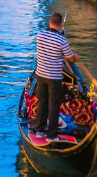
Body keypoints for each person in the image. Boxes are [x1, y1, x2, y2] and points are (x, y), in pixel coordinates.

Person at [32, 12, 80, 141]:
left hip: (41, 75)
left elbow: (49, 47)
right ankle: (51, 136)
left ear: (49, 22)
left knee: (42, 102)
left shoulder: (39, 36)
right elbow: (70, 59)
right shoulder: (62, 40)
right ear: (60, 24)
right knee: (54, 106)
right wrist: (76, 56)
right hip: (54, 78)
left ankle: (39, 131)